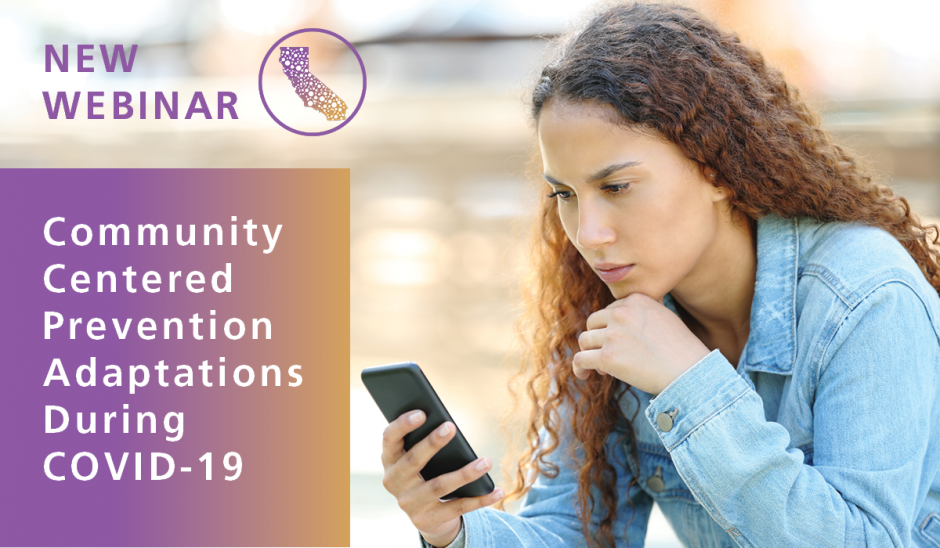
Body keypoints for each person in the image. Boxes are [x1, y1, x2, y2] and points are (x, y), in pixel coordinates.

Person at [379, 3, 940, 547]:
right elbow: (574, 533)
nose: (589, 233)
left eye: (617, 187)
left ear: (718, 168)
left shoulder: (865, 294)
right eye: (566, 195)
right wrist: (451, 530)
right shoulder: (615, 311)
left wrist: (691, 385)